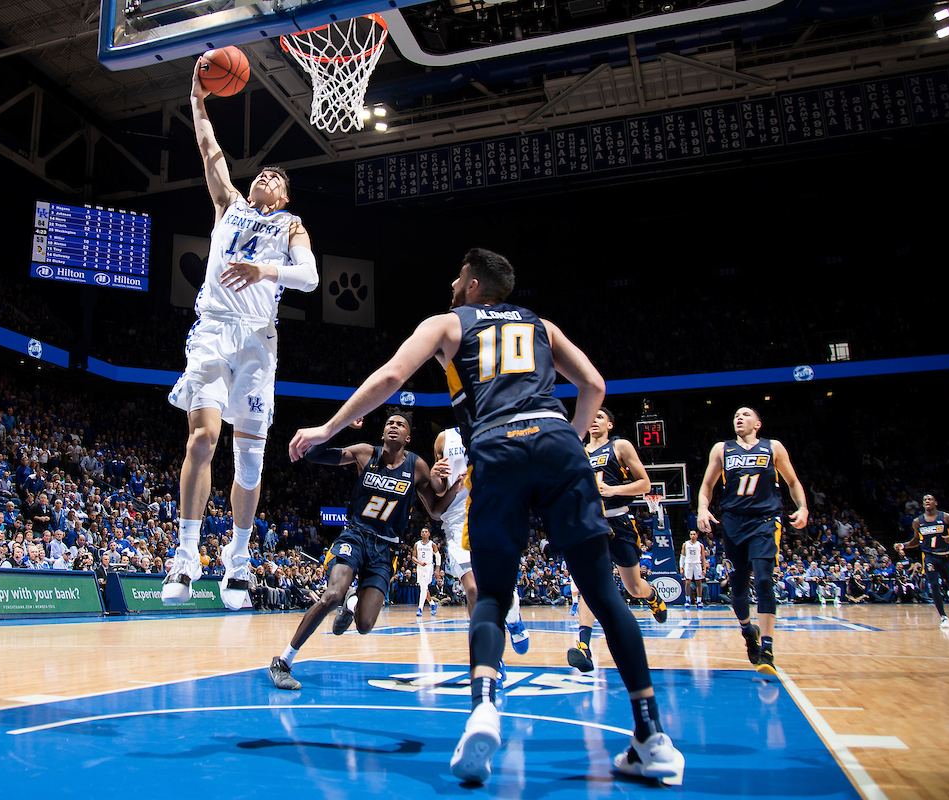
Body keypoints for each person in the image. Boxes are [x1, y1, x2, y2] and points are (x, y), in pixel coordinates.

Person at [288, 248, 682, 786]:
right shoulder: (541, 326)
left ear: (473, 285)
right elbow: (593, 386)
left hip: (498, 447)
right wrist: (567, 436)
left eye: (457, 277)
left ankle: (484, 710)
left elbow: (391, 376)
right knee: (605, 594)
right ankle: (651, 737)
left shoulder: (448, 323)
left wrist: (328, 429)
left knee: (492, 593)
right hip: (559, 445)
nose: (452, 282)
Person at [161, 58, 319, 612]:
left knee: (248, 463)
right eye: (263, 173)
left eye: (277, 177)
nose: (266, 177)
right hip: (213, 332)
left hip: (258, 342)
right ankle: (184, 555)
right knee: (201, 440)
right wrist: (199, 103)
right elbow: (211, 153)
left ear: (285, 197)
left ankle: (239, 557)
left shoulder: (289, 227)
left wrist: (263, 270)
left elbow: (310, 277)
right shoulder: (228, 204)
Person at [269, 412, 455, 690]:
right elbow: (315, 455)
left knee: (366, 624)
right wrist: (339, 425)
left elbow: (437, 511)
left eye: (400, 424)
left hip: (385, 549)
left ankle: (353, 602)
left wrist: (455, 487)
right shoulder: (366, 453)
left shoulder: (418, 467)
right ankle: (283, 661)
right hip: (355, 535)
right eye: (389, 423)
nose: (394, 426)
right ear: (382, 434)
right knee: (332, 594)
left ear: (408, 437)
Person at [696, 407, 808, 675]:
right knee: (738, 590)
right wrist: (702, 508)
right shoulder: (722, 449)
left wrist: (802, 507)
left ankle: (767, 648)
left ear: (758, 424)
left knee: (764, 579)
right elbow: (708, 485)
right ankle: (748, 631)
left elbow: (792, 482)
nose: (739, 417)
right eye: (735, 414)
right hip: (733, 521)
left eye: (745, 414)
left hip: (765, 519)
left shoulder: (773, 447)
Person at [568, 409, 667, 673]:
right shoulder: (577, 450)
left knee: (633, 587)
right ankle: (583, 647)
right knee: (590, 586)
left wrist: (614, 490)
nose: (594, 419)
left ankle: (652, 595)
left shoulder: (620, 446)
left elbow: (645, 484)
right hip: (590, 525)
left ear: (610, 424)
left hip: (619, 521)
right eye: (592, 416)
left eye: (600, 416)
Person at [433, 427, 530, 657]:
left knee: (500, 587)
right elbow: (438, 490)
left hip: (492, 511)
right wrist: (434, 476)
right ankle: (489, 657)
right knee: (474, 590)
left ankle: (513, 618)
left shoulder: (497, 428)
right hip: (458, 520)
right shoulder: (444, 438)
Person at [896, 494, 949, 627]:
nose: (927, 501)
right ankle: (943, 617)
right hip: (929, 557)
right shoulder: (918, 521)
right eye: (925, 500)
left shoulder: (946, 517)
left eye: (930, 499)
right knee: (934, 585)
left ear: (936, 503)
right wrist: (903, 545)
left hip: (946, 555)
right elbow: (916, 541)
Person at [413, 527, 440, 617]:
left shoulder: (432, 544)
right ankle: (432, 604)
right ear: (421, 534)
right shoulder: (417, 544)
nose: (424, 533)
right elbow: (413, 557)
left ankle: (420, 608)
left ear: (429, 534)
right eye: (422, 532)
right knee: (424, 588)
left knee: (423, 587)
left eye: (426, 532)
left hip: (428, 567)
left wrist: (437, 569)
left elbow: (438, 556)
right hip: (420, 567)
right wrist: (419, 562)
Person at [680, 531, 708, 610]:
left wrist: (704, 568)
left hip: (697, 564)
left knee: (699, 583)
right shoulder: (685, 544)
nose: (692, 536)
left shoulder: (700, 545)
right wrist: (681, 567)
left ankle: (699, 600)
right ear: (689, 535)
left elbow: (703, 558)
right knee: (688, 582)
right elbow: (682, 556)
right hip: (688, 563)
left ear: (697, 535)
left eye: (694, 534)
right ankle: (687, 600)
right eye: (691, 534)